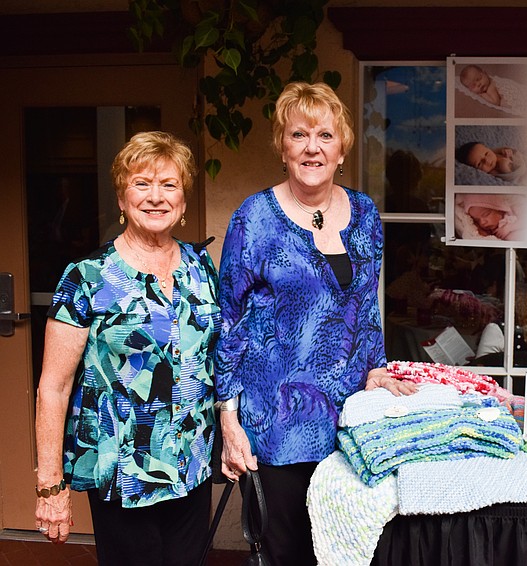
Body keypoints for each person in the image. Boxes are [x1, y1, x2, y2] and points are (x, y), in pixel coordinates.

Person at [215, 81, 415, 565]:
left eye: (324, 135)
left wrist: (377, 368)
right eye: (299, 135)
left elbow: (365, 308)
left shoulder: (365, 214)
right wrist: (227, 418)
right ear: (282, 147)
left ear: (341, 147)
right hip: (277, 425)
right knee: (288, 554)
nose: (312, 147)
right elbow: (230, 323)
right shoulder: (254, 218)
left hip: (348, 425)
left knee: (348, 551)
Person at [34, 131, 220, 565]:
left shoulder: (201, 267)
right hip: (124, 474)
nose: (156, 197)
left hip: (191, 467)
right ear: (121, 199)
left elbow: (215, 359)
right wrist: (50, 485)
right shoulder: (88, 276)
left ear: (184, 201)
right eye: (142, 183)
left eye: (169, 185)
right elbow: (53, 386)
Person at [456, 141, 526, 183]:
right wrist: (504, 167)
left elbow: (513, 151)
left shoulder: (497, 153)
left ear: (488, 149)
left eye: (486, 153)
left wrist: (508, 151)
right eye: (479, 163)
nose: (486, 160)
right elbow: (511, 177)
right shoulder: (492, 173)